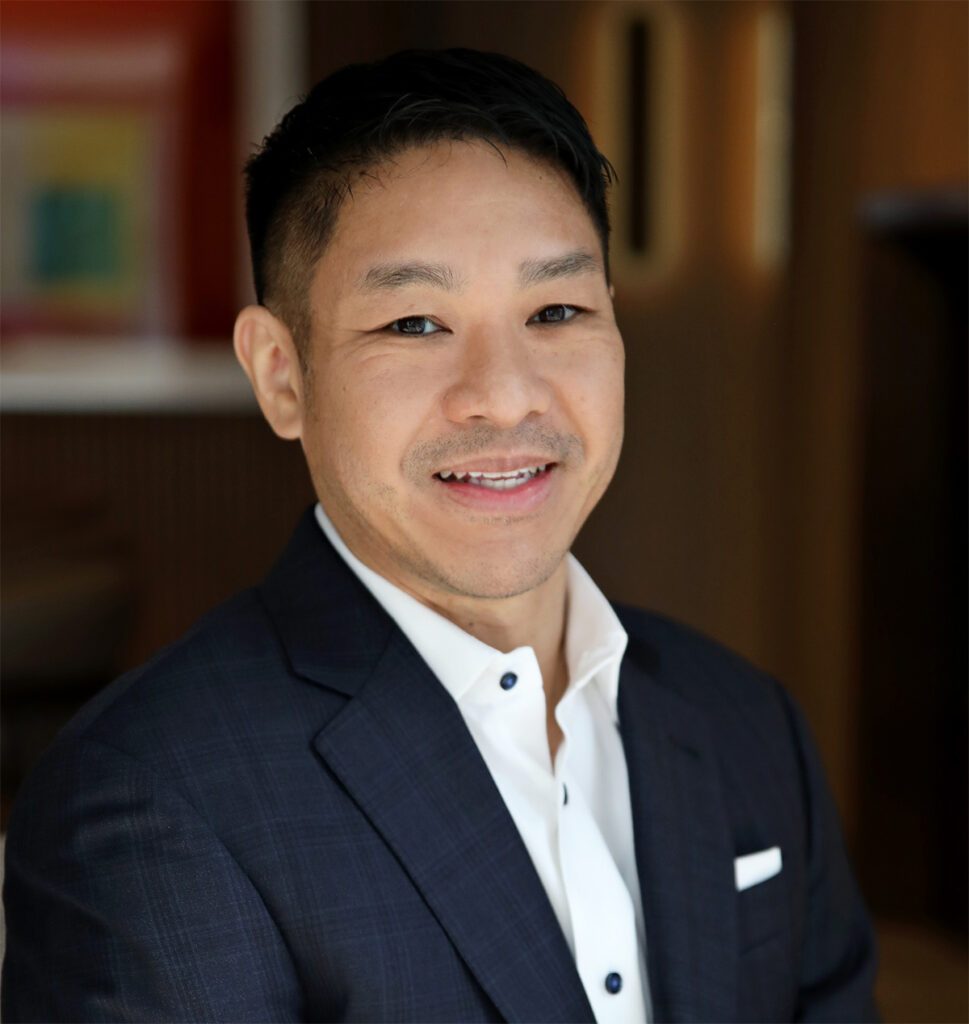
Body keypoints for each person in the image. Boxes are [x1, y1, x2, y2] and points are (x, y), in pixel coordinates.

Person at [2, 49, 878, 1023]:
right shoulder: (150, 803)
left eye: (556, 310)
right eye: (416, 323)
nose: (504, 394)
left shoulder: (747, 724)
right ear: (282, 373)